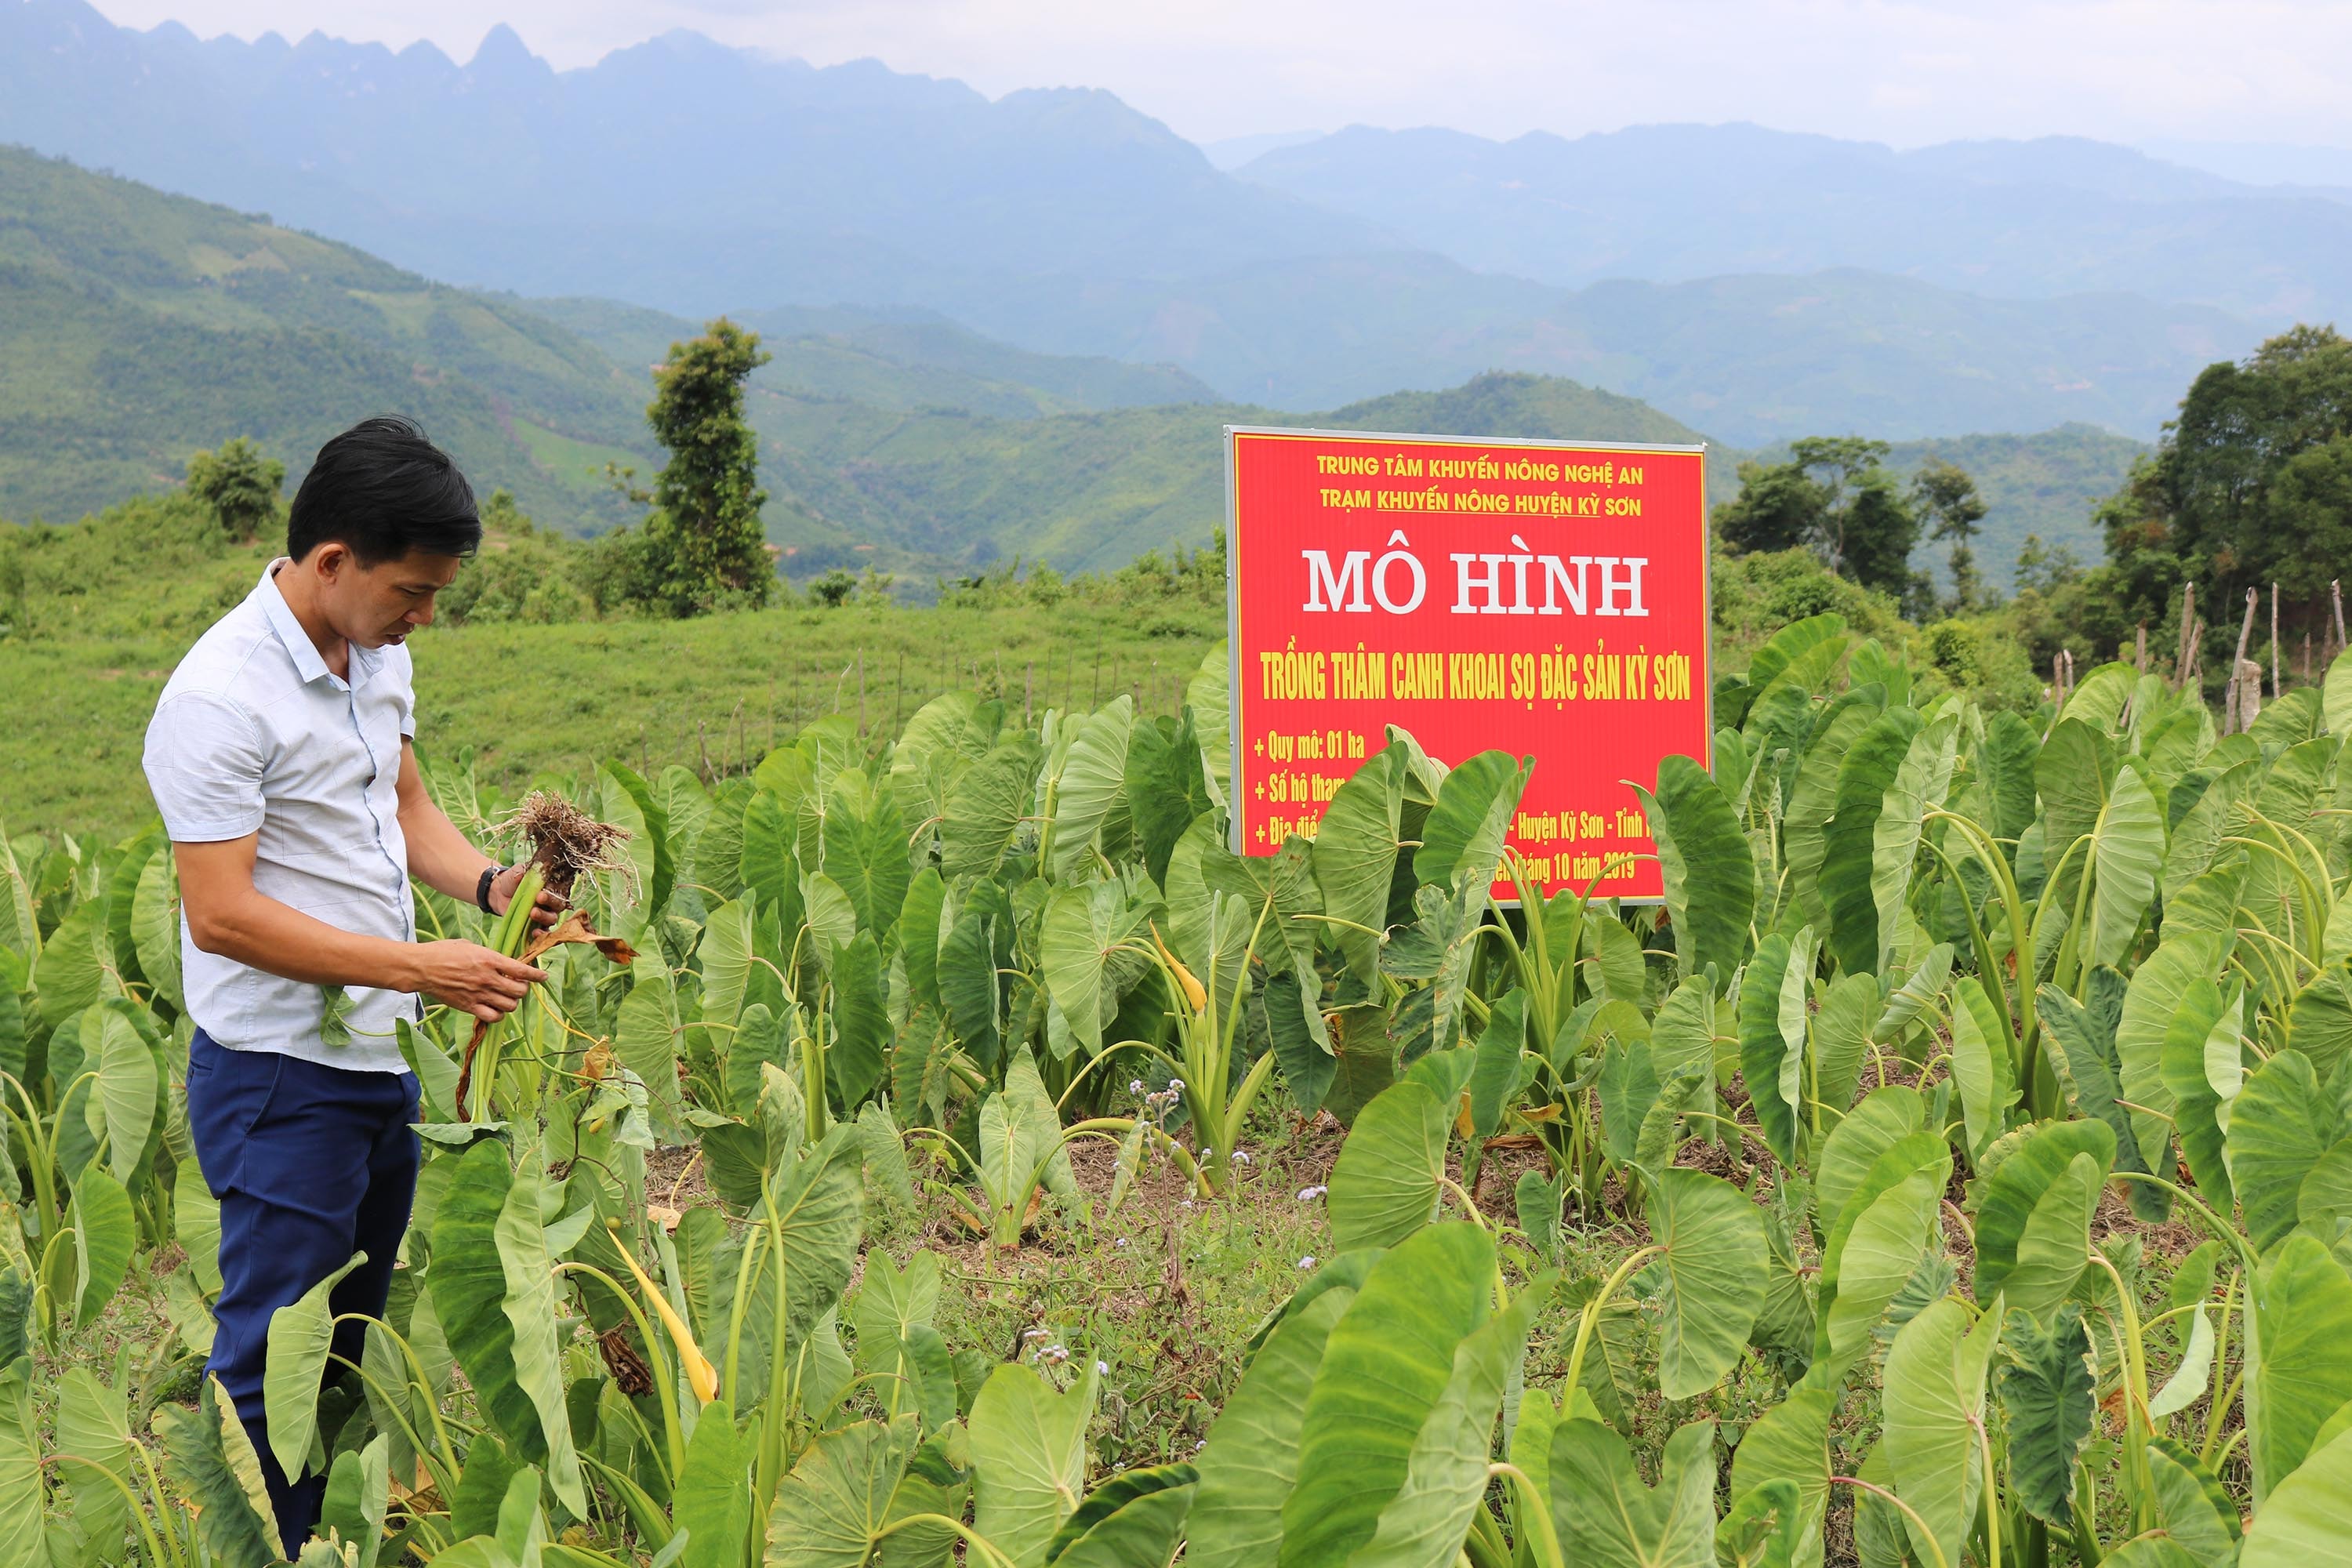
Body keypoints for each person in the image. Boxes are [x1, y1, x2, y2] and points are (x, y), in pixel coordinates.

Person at [143, 416, 563, 1553]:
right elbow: (221, 914)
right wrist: (420, 966)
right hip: (279, 1073)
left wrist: (489, 885)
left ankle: (324, 1532)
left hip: (380, 1056)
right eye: (414, 590)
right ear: (334, 561)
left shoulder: (378, 656)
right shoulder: (217, 698)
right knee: (274, 1345)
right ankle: (255, 1543)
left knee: (348, 1333)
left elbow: (403, 805)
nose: (427, 615)